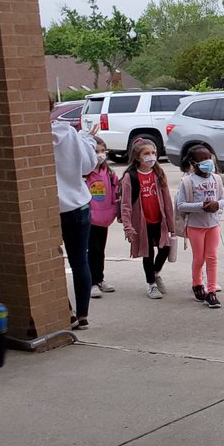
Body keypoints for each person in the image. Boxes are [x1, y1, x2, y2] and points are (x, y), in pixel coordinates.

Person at [51, 120, 98, 330]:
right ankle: (83, 314)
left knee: (51, 262)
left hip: (51, 207)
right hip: (78, 204)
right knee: (80, 261)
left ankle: (68, 312)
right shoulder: (69, 132)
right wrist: (87, 139)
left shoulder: (30, 135)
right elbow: (89, 165)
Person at [120, 137, 174, 300]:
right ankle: (151, 284)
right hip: (142, 223)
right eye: (147, 153)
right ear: (138, 157)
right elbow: (126, 204)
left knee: (165, 248)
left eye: (153, 153)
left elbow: (167, 200)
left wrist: (171, 224)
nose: (151, 157)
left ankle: (155, 272)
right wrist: (128, 227)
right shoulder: (131, 176)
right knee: (147, 253)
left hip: (159, 220)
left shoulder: (158, 173)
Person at [175, 144, 224, 309]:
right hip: (195, 226)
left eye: (208, 158)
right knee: (199, 258)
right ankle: (197, 284)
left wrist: (217, 204)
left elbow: (223, 198)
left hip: (213, 225)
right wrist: (201, 206)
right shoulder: (187, 182)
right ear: (193, 162)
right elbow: (181, 205)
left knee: (212, 257)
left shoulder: (216, 179)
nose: (207, 162)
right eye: (202, 159)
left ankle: (211, 291)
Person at [85, 138, 120, 300]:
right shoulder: (85, 174)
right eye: (96, 151)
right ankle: (92, 282)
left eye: (102, 151)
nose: (100, 155)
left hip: (105, 218)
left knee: (100, 250)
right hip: (89, 218)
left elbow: (115, 195)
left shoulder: (110, 173)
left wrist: (115, 212)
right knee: (92, 250)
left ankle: (100, 279)